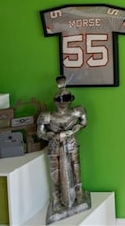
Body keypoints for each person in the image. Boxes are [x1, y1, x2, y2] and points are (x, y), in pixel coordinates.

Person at [37, 76, 90, 223]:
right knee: (55, 171)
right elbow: (40, 133)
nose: (63, 102)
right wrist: (53, 136)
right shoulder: (47, 116)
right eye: (60, 99)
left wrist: (70, 131)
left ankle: (78, 193)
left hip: (71, 142)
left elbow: (83, 122)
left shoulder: (76, 111)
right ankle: (56, 197)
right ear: (55, 101)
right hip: (54, 146)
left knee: (75, 167)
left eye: (66, 98)